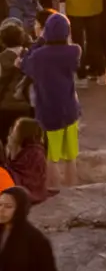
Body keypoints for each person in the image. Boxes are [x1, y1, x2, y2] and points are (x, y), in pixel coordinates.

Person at [18, 15, 80, 189]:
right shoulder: (74, 51)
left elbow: (25, 65)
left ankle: (54, 188)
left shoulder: (39, 56)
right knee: (70, 155)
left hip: (48, 111)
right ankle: (73, 187)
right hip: (70, 109)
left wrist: (39, 41)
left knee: (51, 155)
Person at [4, 121, 52, 205]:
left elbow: (26, 176)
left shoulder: (36, 153)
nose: (12, 130)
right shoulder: (19, 147)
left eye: (16, 128)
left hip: (28, 189)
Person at [0, 23, 32, 148]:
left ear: (3, 42)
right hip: (26, 104)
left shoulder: (2, 58)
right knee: (26, 141)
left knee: (4, 138)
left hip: (5, 105)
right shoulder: (30, 55)